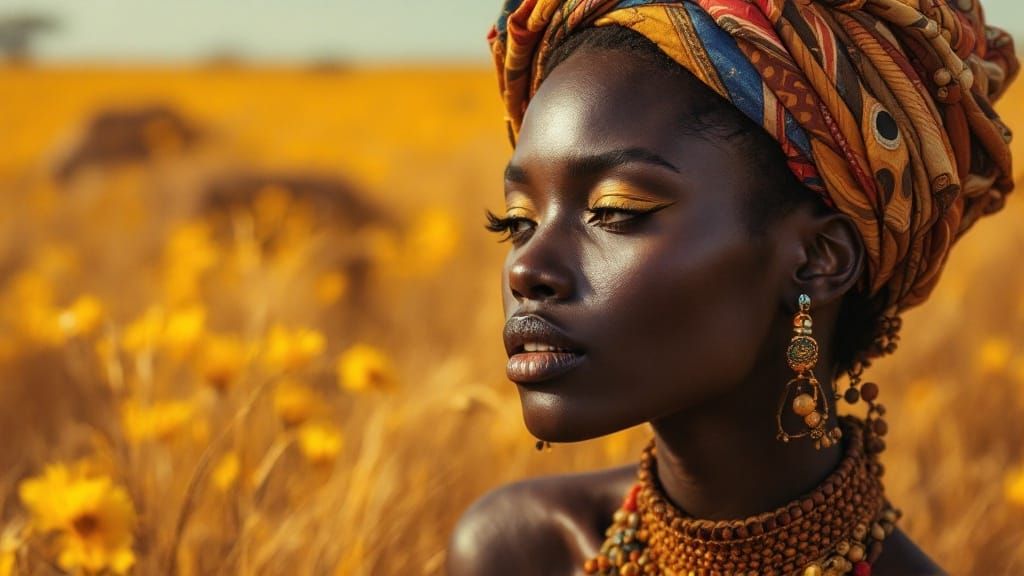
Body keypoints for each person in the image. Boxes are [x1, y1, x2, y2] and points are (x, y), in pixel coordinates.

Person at [448, 1, 1018, 574]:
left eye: (615, 210)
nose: (526, 268)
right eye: (518, 222)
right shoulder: (517, 552)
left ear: (819, 260)